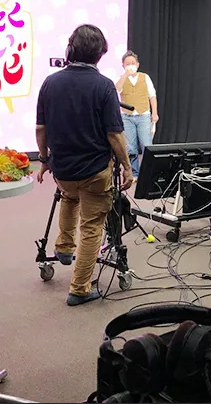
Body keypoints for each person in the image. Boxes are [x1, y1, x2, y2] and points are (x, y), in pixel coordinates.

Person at [35, 24, 134, 307]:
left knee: (69, 197)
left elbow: (41, 129)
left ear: (70, 50)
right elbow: (114, 135)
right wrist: (127, 167)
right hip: (95, 172)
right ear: (100, 55)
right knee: (92, 227)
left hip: (63, 171)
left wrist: (44, 160)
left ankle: (64, 247)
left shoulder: (50, 83)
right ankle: (80, 289)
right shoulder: (104, 86)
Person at [115, 51, 159, 179]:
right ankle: (134, 173)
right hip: (126, 116)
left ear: (138, 64)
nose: (130, 65)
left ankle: (148, 173)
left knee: (146, 145)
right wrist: (125, 75)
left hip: (143, 115)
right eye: (127, 64)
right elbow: (117, 89)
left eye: (132, 63)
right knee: (130, 147)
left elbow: (152, 95)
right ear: (123, 65)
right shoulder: (121, 78)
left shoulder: (145, 77)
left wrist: (154, 113)